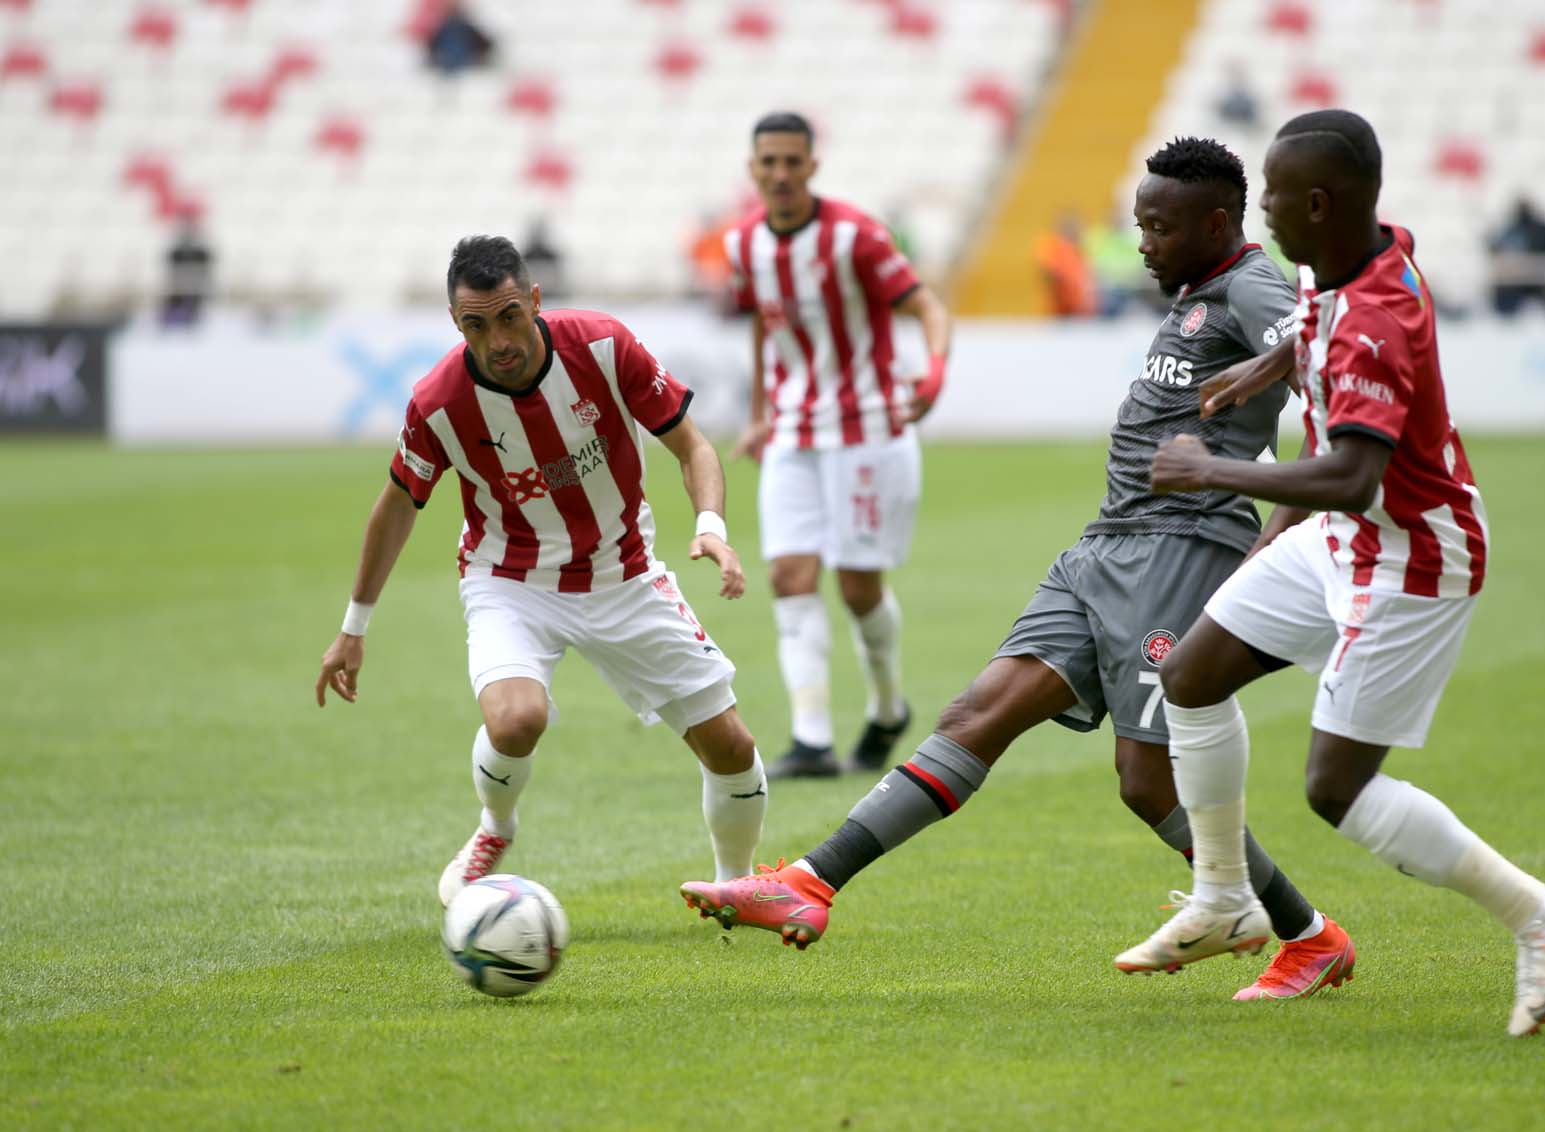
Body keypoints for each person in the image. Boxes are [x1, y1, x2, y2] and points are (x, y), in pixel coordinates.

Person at [681, 137, 1359, 1005]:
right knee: (978, 712)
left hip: (1182, 550)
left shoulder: (1253, 285)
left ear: (1217, 224)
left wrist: (1282, 518)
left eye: (1159, 227)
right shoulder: (1197, 292)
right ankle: (808, 882)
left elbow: (1332, 362)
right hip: (1106, 545)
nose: (1142, 243)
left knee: (1145, 780)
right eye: (1141, 223)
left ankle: (1307, 935)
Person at [1119, 110, 1545, 1036]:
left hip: (1413, 553)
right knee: (1191, 674)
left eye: (1270, 200)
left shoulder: (1376, 321)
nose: (1260, 215)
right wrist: (1263, 369)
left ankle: (1541, 916)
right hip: (1346, 540)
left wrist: (1210, 467)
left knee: (1337, 789)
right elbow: (1313, 327)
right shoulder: (1351, 256)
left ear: (1316, 203)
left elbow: (1351, 476)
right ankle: (1224, 898)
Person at [314, 235, 769, 905]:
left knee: (731, 747)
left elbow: (692, 446)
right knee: (516, 719)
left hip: (624, 574)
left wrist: (711, 529)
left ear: (534, 300)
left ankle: (737, 884)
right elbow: (396, 509)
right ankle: (495, 828)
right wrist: (354, 627)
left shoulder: (604, 347)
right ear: (455, 323)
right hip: (511, 580)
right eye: (475, 324)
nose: (495, 339)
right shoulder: (438, 404)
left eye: (507, 317)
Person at [724, 112, 953, 780]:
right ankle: (812, 739)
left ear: (813, 167)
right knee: (789, 577)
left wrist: (934, 372)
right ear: (754, 169)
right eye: (769, 162)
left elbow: (927, 308)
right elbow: (769, 328)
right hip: (794, 431)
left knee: (857, 589)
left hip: (868, 428)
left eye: (794, 161)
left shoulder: (854, 235)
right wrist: (760, 412)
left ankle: (887, 708)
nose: (782, 174)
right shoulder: (744, 244)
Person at [1487, 198, 1545, 316]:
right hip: (1515, 282)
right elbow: (1493, 246)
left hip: (1541, 279)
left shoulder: (1542, 229)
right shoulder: (1509, 230)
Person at [160, 217, 213, 327]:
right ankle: (174, 319)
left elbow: (205, 269)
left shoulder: (201, 252)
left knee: (194, 301)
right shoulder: (176, 252)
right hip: (179, 286)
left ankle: (189, 319)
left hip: (195, 287)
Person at [425, 1, 493, 75]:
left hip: (454, 65)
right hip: (461, 65)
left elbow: (431, 45)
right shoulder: (463, 27)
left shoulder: (443, 27)